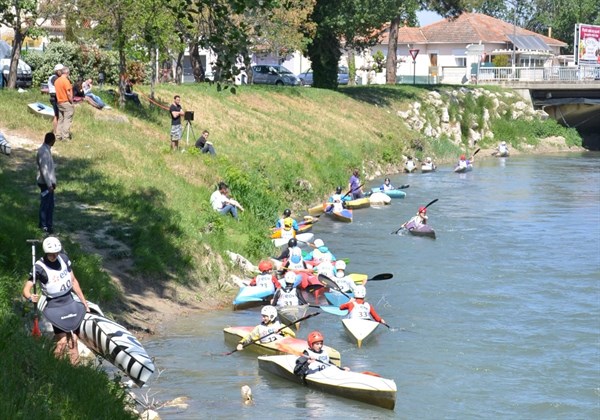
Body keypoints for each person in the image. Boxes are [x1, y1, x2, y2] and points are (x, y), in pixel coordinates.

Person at [22, 236, 90, 364]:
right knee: (62, 341)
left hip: (69, 302)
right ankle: (53, 368)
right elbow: (26, 289)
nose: (54, 256)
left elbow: (74, 281)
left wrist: (85, 303)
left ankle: (74, 369)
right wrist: (31, 297)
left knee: (74, 340)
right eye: (51, 255)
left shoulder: (64, 259)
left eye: (56, 253)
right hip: (55, 307)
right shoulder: (39, 268)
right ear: (46, 253)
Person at [37, 132, 57, 234]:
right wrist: (49, 185)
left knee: (50, 205)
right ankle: (44, 225)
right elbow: (44, 170)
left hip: (49, 184)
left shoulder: (46, 150)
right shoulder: (43, 152)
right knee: (46, 205)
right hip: (46, 184)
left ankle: (48, 224)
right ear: (52, 140)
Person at [54, 66, 74, 141]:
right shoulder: (66, 81)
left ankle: (58, 136)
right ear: (67, 73)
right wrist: (71, 102)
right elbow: (68, 93)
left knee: (60, 119)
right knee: (67, 120)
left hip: (59, 102)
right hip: (66, 102)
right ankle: (65, 137)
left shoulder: (57, 81)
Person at [48, 64, 63, 134]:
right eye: (61, 71)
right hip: (55, 97)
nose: (62, 72)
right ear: (57, 71)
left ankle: (56, 131)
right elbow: (60, 85)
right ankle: (55, 131)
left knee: (57, 115)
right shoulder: (55, 78)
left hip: (54, 97)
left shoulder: (53, 77)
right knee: (57, 115)